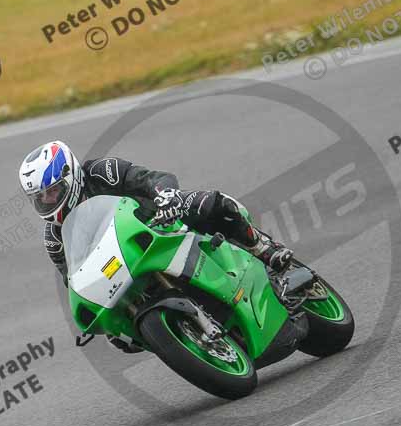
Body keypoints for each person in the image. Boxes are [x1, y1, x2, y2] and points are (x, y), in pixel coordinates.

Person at [18, 141, 293, 350]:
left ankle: (261, 248)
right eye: (39, 197)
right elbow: (74, 279)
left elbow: (152, 178)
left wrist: (167, 198)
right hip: (124, 265)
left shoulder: (102, 172)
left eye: (53, 191)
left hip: (161, 221)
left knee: (214, 204)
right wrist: (104, 318)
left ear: (70, 175)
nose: (48, 201)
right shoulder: (54, 238)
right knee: (124, 340)